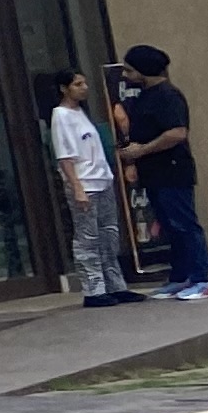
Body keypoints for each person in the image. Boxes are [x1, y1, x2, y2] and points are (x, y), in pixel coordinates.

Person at [116, 42, 208, 300]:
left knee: (184, 224)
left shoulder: (168, 96)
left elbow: (177, 133)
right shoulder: (144, 96)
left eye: (129, 70)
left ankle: (202, 279)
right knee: (169, 226)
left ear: (144, 70)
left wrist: (142, 150)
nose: (126, 75)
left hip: (172, 170)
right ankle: (180, 277)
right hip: (154, 173)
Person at [44, 71, 136, 306]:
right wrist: (77, 187)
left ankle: (115, 285)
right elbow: (65, 156)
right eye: (77, 84)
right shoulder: (61, 115)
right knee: (88, 238)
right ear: (64, 88)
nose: (84, 87)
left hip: (102, 180)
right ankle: (93, 290)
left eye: (84, 83)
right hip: (85, 183)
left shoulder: (81, 113)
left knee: (109, 235)